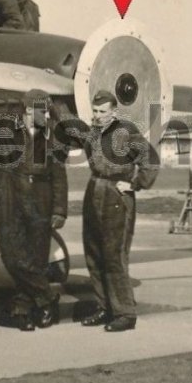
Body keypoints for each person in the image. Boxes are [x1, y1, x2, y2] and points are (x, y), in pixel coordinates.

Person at [80, 90, 158, 332]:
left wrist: (135, 184)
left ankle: (125, 313)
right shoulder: (93, 133)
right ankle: (104, 307)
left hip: (116, 195)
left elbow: (151, 159)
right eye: (95, 111)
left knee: (114, 256)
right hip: (95, 190)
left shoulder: (126, 130)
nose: (98, 115)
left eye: (103, 111)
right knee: (94, 254)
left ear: (114, 112)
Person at [0, 89, 68, 331]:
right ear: (28, 111)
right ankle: (47, 297)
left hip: (40, 199)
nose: (47, 116)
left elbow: (59, 176)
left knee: (36, 257)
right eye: (43, 111)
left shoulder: (51, 137)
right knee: (12, 256)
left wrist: (59, 210)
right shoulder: (7, 130)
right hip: (11, 199)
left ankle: (23, 310)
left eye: (48, 111)